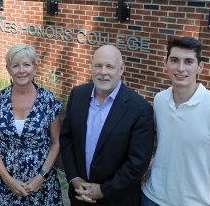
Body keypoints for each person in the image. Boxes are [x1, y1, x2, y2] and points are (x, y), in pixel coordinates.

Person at [142, 37, 210, 206]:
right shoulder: (159, 100)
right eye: (174, 60)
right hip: (151, 197)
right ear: (165, 63)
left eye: (188, 61)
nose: (180, 68)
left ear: (200, 67)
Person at [60, 44, 155, 205]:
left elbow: (137, 162)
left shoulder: (140, 109)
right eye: (98, 65)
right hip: (79, 195)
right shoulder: (78, 95)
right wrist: (74, 178)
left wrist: (104, 190)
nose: (103, 72)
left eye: (109, 66)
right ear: (91, 66)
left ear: (121, 69)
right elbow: (66, 139)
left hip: (117, 199)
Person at [0, 44, 63, 205]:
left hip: (42, 185)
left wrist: (41, 176)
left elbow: (56, 143)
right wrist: (7, 179)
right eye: (15, 65)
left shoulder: (48, 101)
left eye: (26, 65)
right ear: (8, 69)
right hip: (6, 184)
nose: (21, 71)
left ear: (35, 68)